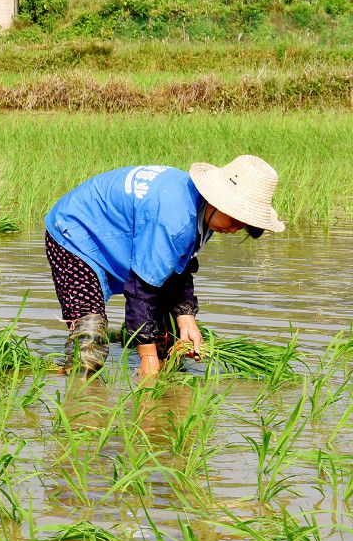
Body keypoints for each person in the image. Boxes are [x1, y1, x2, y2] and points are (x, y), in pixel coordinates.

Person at [43, 156, 284, 377]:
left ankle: (141, 352)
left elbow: (176, 268)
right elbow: (142, 291)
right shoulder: (174, 218)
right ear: (217, 200)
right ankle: (81, 401)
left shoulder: (204, 213)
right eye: (233, 219)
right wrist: (147, 359)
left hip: (116, 232)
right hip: (75, 232)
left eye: (242, 225)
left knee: (168, 341)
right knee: (90, 335)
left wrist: (186, 317)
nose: (233, 228)